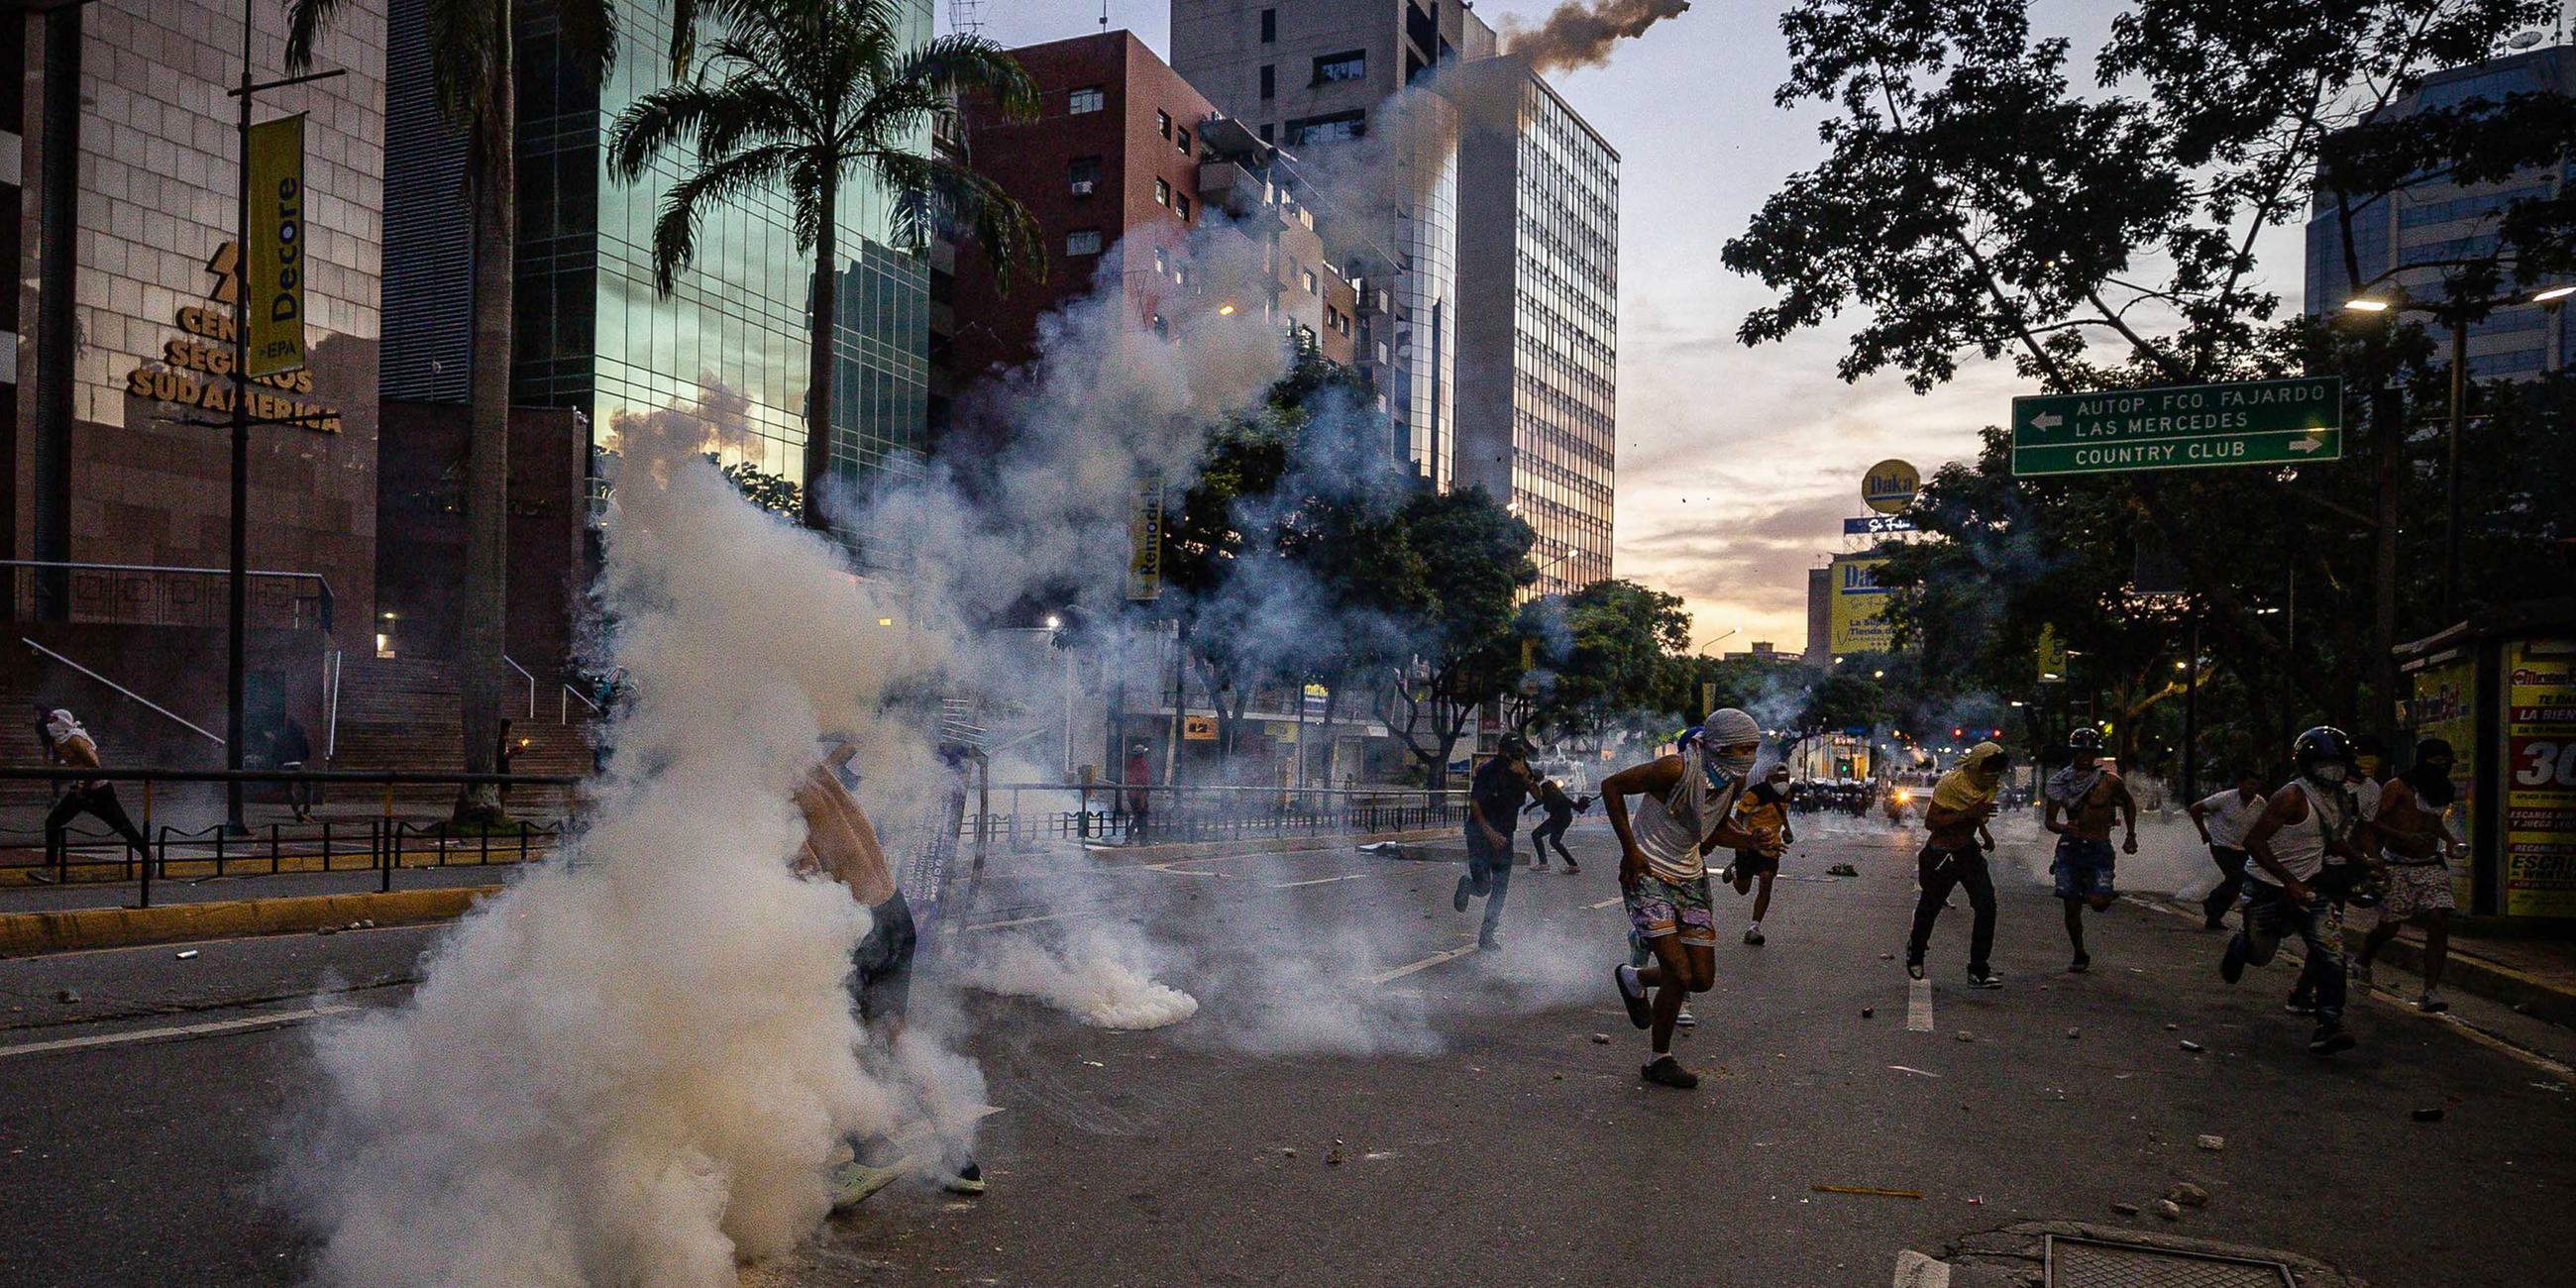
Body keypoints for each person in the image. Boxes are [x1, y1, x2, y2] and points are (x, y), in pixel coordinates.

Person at [795, 741, 985, 1204]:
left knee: (843, 1042)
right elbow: (844, 751)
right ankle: (959, 1160)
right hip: (895, 914)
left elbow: (807, 867)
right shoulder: (815, 774)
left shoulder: (775, 794)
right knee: (896, 1038)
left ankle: (873, 1155)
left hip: (862, 927)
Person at [1601, 708, 1779, 1090]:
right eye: (1740, 748)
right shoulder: (1674, 769)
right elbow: (1611, 787)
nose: (1747, 756)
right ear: (1718, 745)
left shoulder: (1734, 778)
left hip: (1691, 878)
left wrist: (1751, 840)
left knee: (1700, 978)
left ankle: (1634, 977)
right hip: (1647, 874)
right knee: (1679, 974)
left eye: (1753, 748)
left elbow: (1712, 832)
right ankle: (1658, 1060)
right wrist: (1630, 849)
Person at [2222, 726, 2364, 1056]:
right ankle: (2243, 944)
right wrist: (2289, 881)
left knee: (2331, 951)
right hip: (2267, 886)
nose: (2335, 771)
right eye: (2327, 764)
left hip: (2312, 886)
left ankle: (2329, 1023)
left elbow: (2334, 840)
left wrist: (2365, 862)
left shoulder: (2340, 799)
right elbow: (2254, 841)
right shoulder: (2291, 797)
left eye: (2340, 764)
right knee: (2261, 954)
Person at [2354, 738, 2461, 1013]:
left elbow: (2435, 822)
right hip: (2397, 865)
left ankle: (2430, 990)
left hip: (2429, 864)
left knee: (2439, 918)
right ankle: (2363, 960)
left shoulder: (2443, 790)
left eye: (2445, 763)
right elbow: (2372, 821)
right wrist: (2404, 837)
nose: (2442, 768)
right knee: (2389, 926)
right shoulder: (2398, 787)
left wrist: (2448, 840)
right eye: (2436, 762)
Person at [1907, 742, 2008, 988]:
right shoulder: (1951, 785)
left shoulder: (1989, 786)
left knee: (1987, 906)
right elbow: (1932, 821)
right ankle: (1916, 951)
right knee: (1930, 907)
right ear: (1975, 765)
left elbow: (1975, 814)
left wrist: (1984, 833)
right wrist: (1969, 814)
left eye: (1997, 768)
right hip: (1941, 854)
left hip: (1967, 853)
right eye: (1988, 766)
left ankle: (1978, 969)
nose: (1993, 773)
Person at [2042, 727, 2137, 972]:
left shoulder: (2109, 782)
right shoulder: (2060, 782)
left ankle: (2091, 890)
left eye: (2089, 752)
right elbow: (2050, 821)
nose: (2085, 756)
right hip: (2071, 847)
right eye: (2081, 752)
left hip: (2098, 846)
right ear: (2074, 753)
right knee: (2070, 906)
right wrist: (2065, 826)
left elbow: (2128, 803)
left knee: (2100, 902)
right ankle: (2079, 952)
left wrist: (2130, 835)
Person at [34, 707, 152, 881]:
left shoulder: (75, 738)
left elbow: (94, 765)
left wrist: (84, 785)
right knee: (53, 821)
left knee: (122, 825)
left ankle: (149, 855)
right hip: (79, 791)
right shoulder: (60, 740)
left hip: (98, 790)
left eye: (52, 721)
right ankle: (50, 869)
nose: (49, 725)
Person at [1453, 732, 1536, 950]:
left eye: (1519, 752)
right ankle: (1468, 885)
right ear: (1501, 750)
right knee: (1484, 887)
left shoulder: (1522, 772)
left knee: (1500, 888)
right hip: (1480, 835)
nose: (1516, 756)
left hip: (1505, 837)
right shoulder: (1488, 771)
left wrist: (1525, 776)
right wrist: (1489, 833)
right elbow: (1475, 804)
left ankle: (1486, 936)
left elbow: (1540, 796)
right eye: (1512, 752)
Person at [1723, 764, 1797, 945]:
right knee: (1743, 888)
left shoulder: (1787, 794)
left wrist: (1787, 830)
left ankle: (1754, 927)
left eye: (1786, 779)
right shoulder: (1755, 793)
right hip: (1749, 843)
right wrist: (1740, 842)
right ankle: (1735, 873)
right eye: (1780, 779)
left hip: (1771, 846)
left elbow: (1781, 813)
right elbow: (1738, 818)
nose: (1784, 783)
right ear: (1770, 779)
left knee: (1766, 880)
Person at [2188, 768, 2268, 929]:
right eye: (2249, 784)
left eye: (2255, 785)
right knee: (2235, 878)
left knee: (2239, 882)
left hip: (2243, 849)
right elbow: (2195, 808)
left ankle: (2214, 915)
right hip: (2221, 845)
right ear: (2240, 784)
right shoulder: (2224, 798)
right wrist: (2204, 832)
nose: (2252, 788)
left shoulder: (2260, 804)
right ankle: (2212, 903)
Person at [1522, 777, 1593, 873]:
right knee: (1554, 842)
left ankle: (1544, 863)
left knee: (1536, 835)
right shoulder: (1559, 795)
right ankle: (1573, 864)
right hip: (1564, 820)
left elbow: (1543, 802)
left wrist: (1528, 808)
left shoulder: (1554, 796)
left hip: (1557, 820)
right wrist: (1529, 807)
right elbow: (1577, 808)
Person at [273, 714, 316, 822]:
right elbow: (307, 753)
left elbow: (275, 753)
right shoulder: (300, 735)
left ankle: (297, 811)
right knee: (308, 787)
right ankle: (307, 812)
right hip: (298, 764)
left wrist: (280, 763)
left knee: (289, 789)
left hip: (286, 766)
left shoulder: (281, 736)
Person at [1123, 741, 1153, 844]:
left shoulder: (1132, 763)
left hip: (1132, 794)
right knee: (1142, 815)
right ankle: (1139, 838)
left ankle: (1132, 837)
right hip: (1139, 794)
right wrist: (1146, 792)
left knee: (1139, 815)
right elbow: (1144, 780)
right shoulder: (1142, 764)